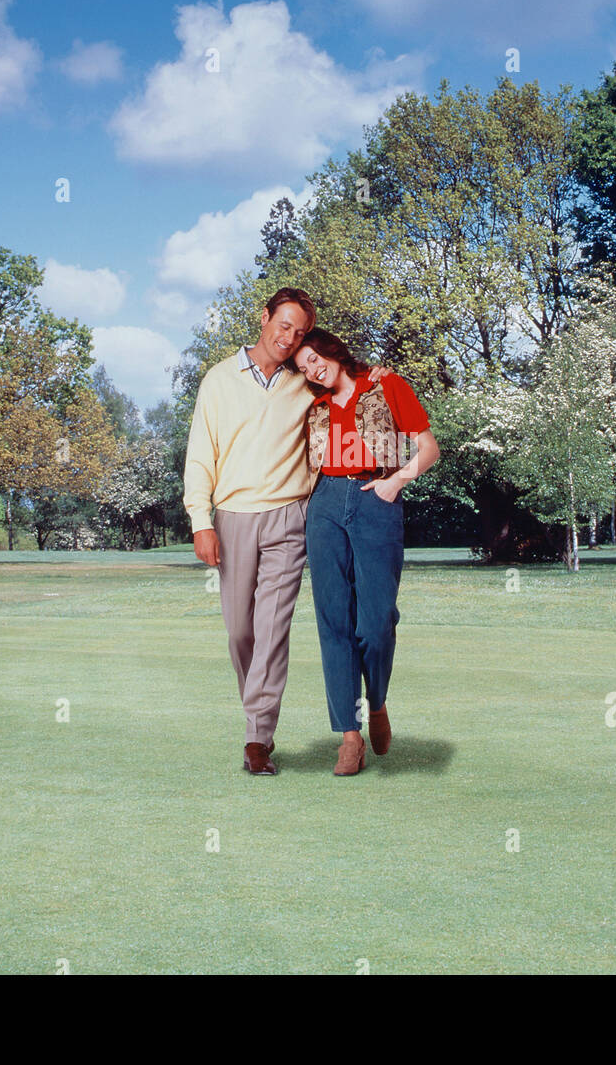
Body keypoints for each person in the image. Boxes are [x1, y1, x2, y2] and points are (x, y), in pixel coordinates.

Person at [183, 289, 385, 776]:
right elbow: (199, 455)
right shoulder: (218, 380)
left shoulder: (303, 381)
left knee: (272, 631)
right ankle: (256, 717)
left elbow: (344, 385)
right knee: (240, 633)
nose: (289, 337)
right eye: (284, 325)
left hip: (289, 518)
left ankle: (258, 739)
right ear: (264, 318)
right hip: (232, 517)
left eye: (299, 332)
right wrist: (201, 520)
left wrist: (372, 377)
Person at [291, 329, 440, 776]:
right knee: (333, 621)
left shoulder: (386, 385)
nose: (313, 369)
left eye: (316, 358)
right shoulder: (312, 409)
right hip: (324, 505)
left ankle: (377, 702)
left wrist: (396, 482)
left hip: (377, 496)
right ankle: (348, 737)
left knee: (376, 623)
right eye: (304, 367)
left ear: (333, 351)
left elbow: (428, 449)